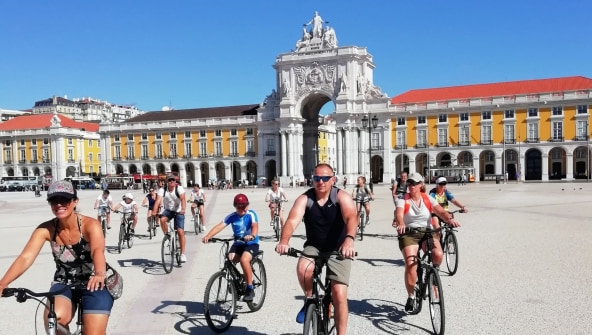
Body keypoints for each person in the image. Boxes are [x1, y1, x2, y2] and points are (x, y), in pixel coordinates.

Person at [0, 180, 113, 333]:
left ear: (75, 201)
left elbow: (97, 251)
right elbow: (26, 257)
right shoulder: (46, 229)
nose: (59, 204)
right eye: (54, 200)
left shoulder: (90, 225)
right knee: (53, 320)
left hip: (94, 282)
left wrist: (99, 273)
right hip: (64, 282)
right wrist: (3, 283)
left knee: (93, 332)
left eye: (65, 199)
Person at [275, 163, 357, 335]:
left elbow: (351, 217)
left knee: (339, 294)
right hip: (315, 246)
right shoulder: (305, 198)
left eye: (325, 178)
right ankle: (310, 299)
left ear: (333, 180)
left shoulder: (341, 196)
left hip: (339, 247)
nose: (321, 181)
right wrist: (284, 240)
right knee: (303, 269)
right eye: (317, 178)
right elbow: (292, 221)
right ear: (312, 179)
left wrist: (349, 240)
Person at [393, 173, 460, 313]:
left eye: (414, 183)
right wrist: (400, 223)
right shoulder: (403, 199)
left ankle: (433, 277)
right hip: (409, 233)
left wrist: (449, 219)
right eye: (409, 183)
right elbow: (399, 213)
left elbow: (440, 211)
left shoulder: (428, 198)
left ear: (420, 185)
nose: (411, 186)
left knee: (438, 254)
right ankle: (411, 296)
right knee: (411, 263)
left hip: (426, 232)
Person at [202, 193, 259, 302]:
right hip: (238, 243)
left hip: (251, 243)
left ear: (247, 206)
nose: (241, 209)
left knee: (244, 260)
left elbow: (255, 226)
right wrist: (208, 236)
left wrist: (252, 235)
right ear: (235, 206)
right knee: (230, 259)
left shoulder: (251, 214)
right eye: (238, 206)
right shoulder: (232, 216)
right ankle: (236, 282)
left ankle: (250, 288)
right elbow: (220, 225)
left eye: (243, 206)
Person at [153, 174, 188, 262]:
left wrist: (183, 209)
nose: (171, 181)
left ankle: (183, 254)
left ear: (175, 181)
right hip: (168, 210)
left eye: (173, 180)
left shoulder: (179, 188)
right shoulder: (162, 189)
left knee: (180, 231)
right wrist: (154, 211)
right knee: (162, 219)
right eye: (169, 180)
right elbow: (158, 200)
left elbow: (183, 199)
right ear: (167, 182)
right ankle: (167, 236)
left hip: (179, 210)